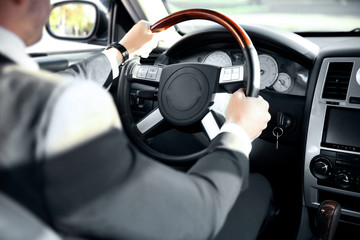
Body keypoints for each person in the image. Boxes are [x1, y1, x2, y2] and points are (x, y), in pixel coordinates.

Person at [0, 0, 272, 239]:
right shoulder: (57, 107)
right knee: (258, 188)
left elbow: (51, 86)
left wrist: (120, 51)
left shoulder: (25, 96)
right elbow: (193, 219)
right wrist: (237, 131)